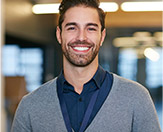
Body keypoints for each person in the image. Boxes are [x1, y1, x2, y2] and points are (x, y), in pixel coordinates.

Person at [11, 0, 161, 132]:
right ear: (59, 35)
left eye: (91, 28)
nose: (81, 37)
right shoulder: (30, 106)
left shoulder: (136, 98)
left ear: (101, 36)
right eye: (72, 28)